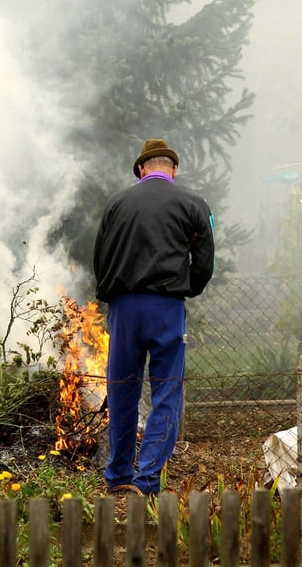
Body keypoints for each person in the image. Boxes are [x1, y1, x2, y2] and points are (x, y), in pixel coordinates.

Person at [93, 138, 215, 495]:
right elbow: (206, 260)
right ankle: (146, 480)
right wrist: (188, 287)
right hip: (166, 308)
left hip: (124, 309)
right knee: (166, 393)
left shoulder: (116, 204)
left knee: (121, 391)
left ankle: (117, 477)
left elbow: (100, 258)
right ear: (173, 169)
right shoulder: (193, 204)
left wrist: (109, 295)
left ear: (142, 169)